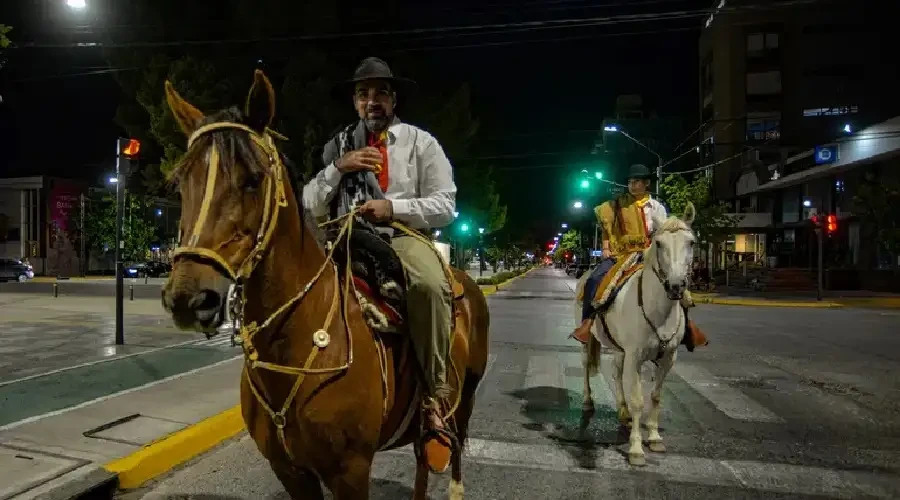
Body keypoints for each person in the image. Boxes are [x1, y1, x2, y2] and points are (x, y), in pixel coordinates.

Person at [302, 57, 458, 469]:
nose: (372, 101)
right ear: (355, 102)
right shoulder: (338, 146)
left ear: (393, 99)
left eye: (380, 93)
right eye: (364, 94)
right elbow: (309, 203)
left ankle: (433, 397)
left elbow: (446, 206)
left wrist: (393, 207)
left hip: (399, 237)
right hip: (342, 235)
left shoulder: (420, 143)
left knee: (428, 286)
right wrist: (338, 169)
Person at [569, 164, 707, 351]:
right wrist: (606, 246)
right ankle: (587, 323)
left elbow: (664, 235)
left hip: (649, 253)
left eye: (636, 182)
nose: (632, 186)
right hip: (621, 253)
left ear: (646, 183)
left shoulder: (657, 208)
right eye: (630, 182)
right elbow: (607, 228)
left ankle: (687, 327)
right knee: (594, 279)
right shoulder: (617, 205)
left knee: (678, 284)